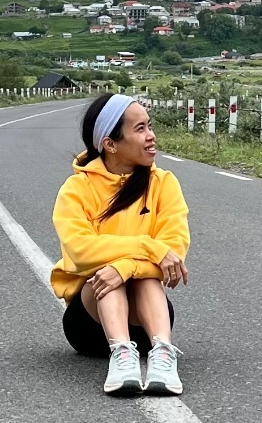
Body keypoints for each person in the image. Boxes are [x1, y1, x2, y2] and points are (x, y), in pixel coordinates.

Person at [51, 92, 189, 396]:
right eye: (139, 129)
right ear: (110, 144)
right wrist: (148, 248)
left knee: (139, 276)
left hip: (147, 318)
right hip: (90, 322)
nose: (151, 136)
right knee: (108, 275)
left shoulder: (163, 183)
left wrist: (126, 266)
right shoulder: (77, 189)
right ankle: (120, 356)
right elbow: (80, 250)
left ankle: (163, 354)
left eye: (149, 126)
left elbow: (174, 248)